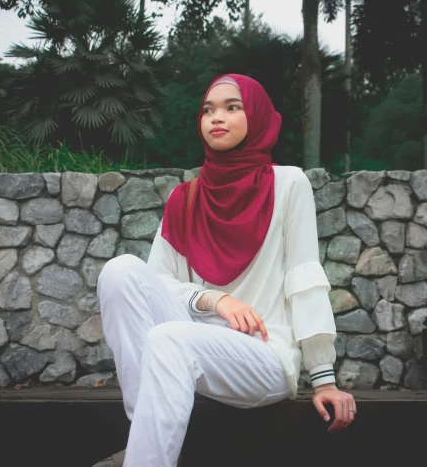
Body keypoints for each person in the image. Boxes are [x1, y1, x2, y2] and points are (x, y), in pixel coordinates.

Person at [95, 74, 356, 467]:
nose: (216, 117)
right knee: (120, 272)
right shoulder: (186, 198)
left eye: (232, 107)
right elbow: (159, 284)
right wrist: (214, 299)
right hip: (193, 339)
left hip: (264, 356)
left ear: (257, 116)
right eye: (208, 109)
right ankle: (148, 443)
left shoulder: (288, 184)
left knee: (170, 337)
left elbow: (305, 277)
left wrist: (323, 378)